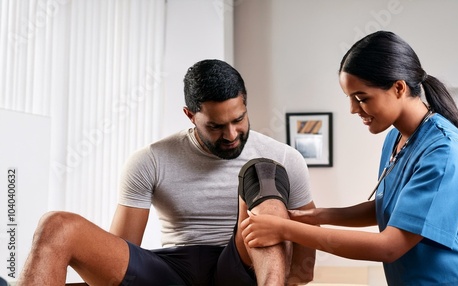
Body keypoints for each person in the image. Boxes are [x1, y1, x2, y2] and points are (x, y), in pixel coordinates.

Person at [18, 59, 316, 285]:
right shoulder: (151, 159)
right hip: (173, 269)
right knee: (56, 225)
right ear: (190, 115)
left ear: (245, 105)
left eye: (239, 119)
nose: (231, 134)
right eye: (215, 126)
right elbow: (123, 252)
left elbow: (303, 270)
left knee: (263, 174)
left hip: (243, 265)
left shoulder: (285, 157)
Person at [241, 31, 458, 285]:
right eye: (351, 99)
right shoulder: (396, 137)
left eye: (361, 98)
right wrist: (316, 215)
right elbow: (391, 207)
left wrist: (284, 229)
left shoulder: (445, 151)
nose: (354, 109)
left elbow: (389, 247)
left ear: (398, 87)